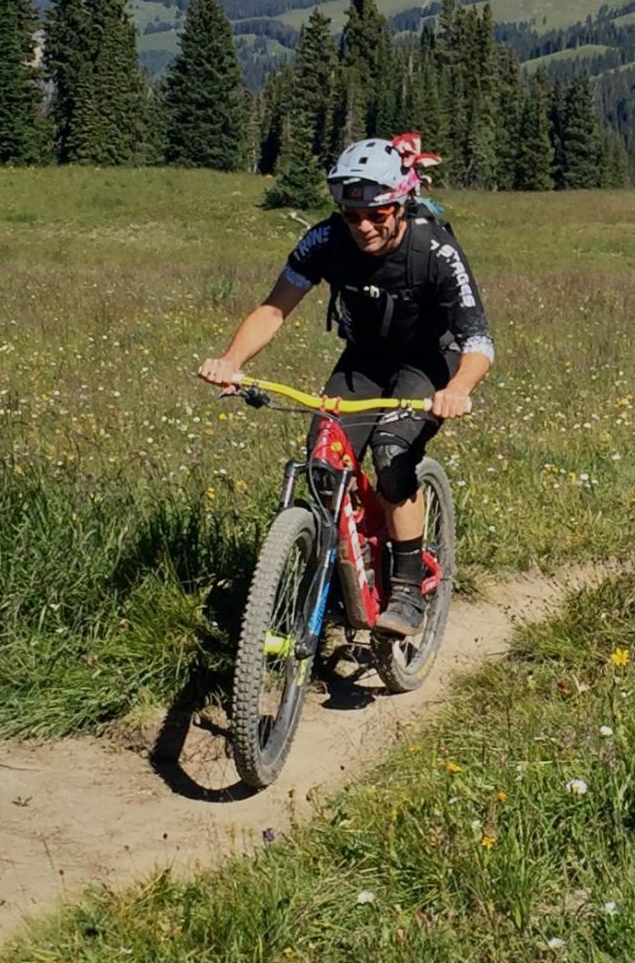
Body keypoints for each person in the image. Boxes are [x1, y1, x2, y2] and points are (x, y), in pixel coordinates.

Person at [198, 136, 492, 637]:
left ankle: (405, 584)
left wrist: (458, 389)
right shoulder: (324, 241)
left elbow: (478, 341)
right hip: (364, 361)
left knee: (393, 456)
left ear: (401, 204)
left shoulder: (435, 249)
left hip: (429, 362)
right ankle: (334, 575)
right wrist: (231, 360)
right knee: (323, 463)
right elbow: (274, 308)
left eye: (377, 213)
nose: (363, 226)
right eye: (351, 214)